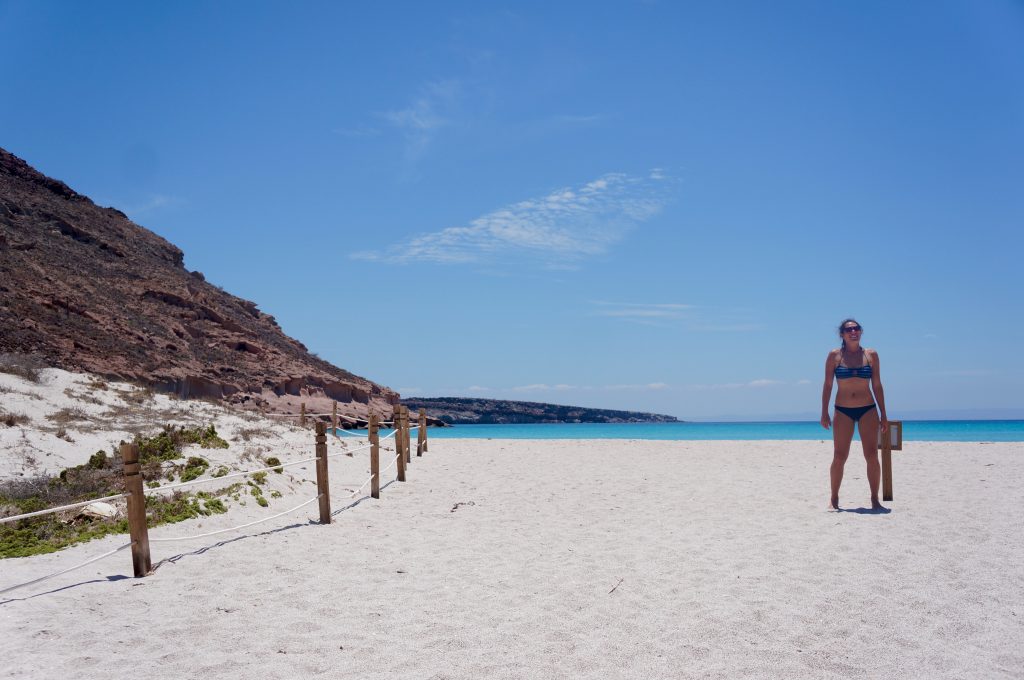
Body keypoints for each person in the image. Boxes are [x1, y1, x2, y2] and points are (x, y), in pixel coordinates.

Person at [820, 318, 888, 510]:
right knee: (839, 456)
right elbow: (827, 385)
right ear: (842, 334)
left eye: (856, 328)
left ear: (861, 332)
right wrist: (824, 412)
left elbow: (877, 385)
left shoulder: (871, 355)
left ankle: (875, 499)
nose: (853, 332)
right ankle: (834, 499)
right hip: (842, 410)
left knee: (872, 455)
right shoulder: (834, 356)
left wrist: (884, 414)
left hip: (868, 409)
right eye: (848, 329)